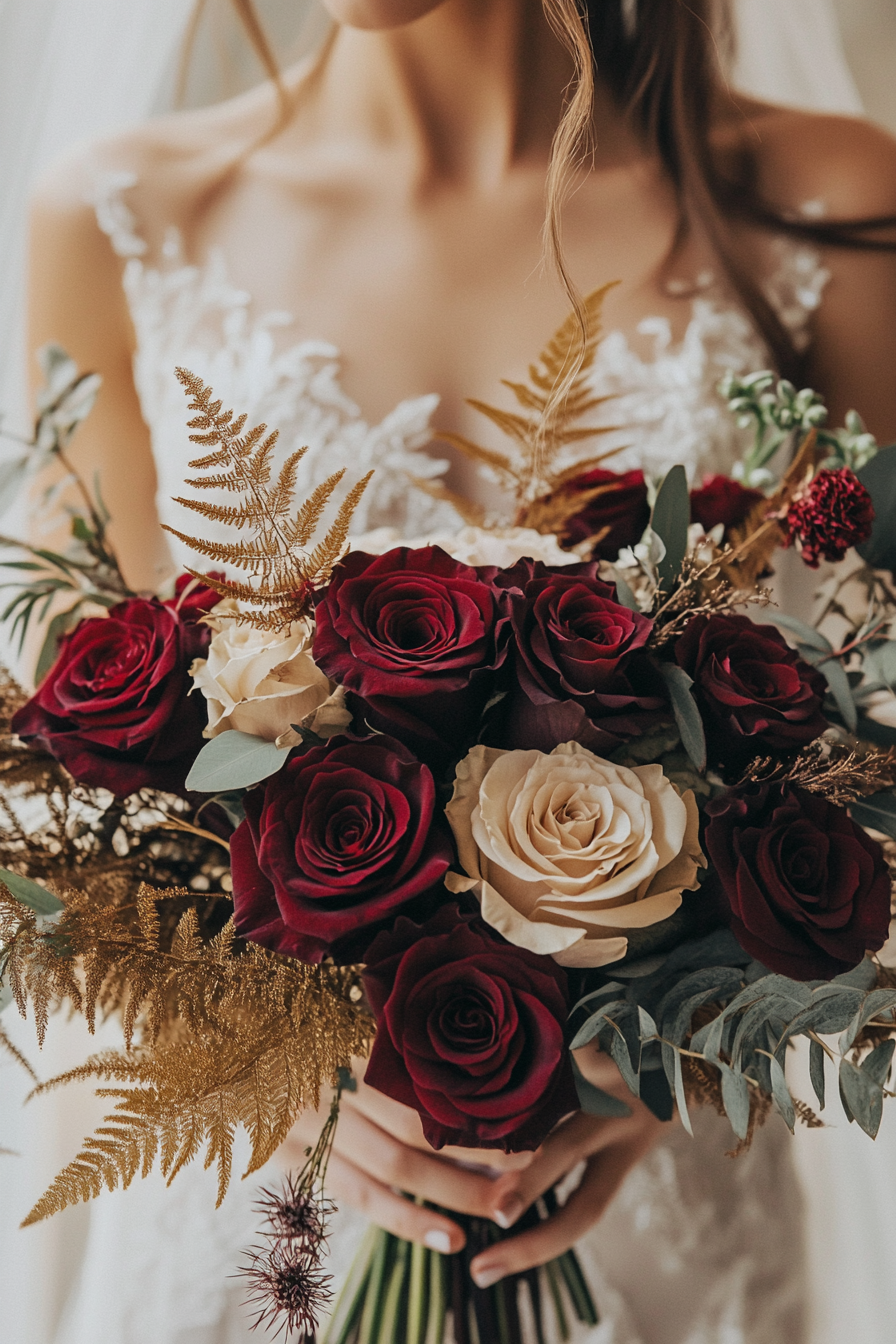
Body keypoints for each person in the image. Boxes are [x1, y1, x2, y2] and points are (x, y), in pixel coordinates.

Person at [22, 2, 896, 1341]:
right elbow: (111, 783)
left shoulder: (830, 204)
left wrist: (697, 1043)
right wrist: (282, 1058)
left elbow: (875, 741)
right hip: (275, 1220)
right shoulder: (121, 216)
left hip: (661, 1218)